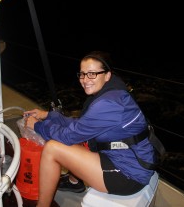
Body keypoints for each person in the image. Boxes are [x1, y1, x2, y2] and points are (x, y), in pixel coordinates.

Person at [24, 51, 156, 207]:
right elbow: (82, 125)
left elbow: (69, 135)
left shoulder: (108, 103)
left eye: (92, 74)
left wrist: (37, 125)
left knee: (52, 148)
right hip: (125, 157)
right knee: (76, 137)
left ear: (107, 75)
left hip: (129, 174)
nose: (85, 80)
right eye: (82, 74)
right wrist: (48, 115)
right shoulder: (113, 92)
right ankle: (74, 182)